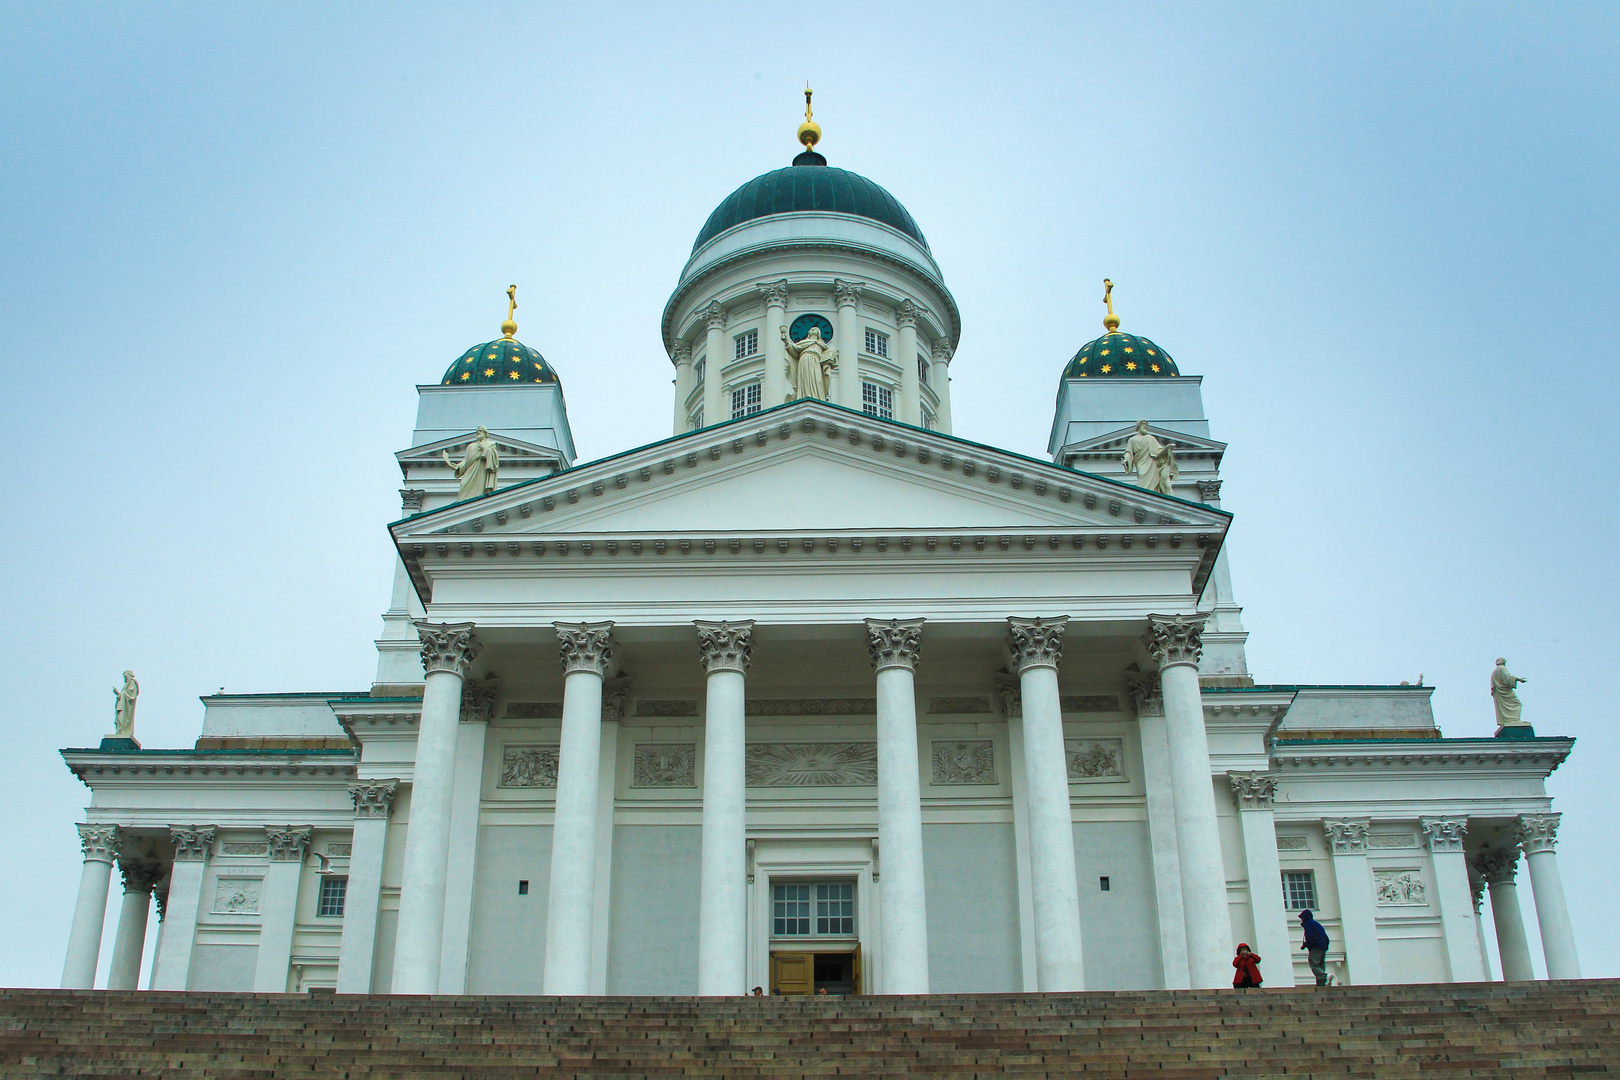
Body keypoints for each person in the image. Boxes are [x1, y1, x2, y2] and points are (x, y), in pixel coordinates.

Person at [1299, 909, 1331, 986]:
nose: (1301, 920)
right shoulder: (1317, 924)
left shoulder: (1308, 924)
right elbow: (1326, 938)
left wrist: (1308, 945)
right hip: (1323, 947)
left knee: (1314, 964)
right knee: (1320, 966)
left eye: (1302, 918)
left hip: (1315, 947)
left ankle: (1326, 976)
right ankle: (1321, 984)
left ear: (1305, 917)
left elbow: (1310, 936)